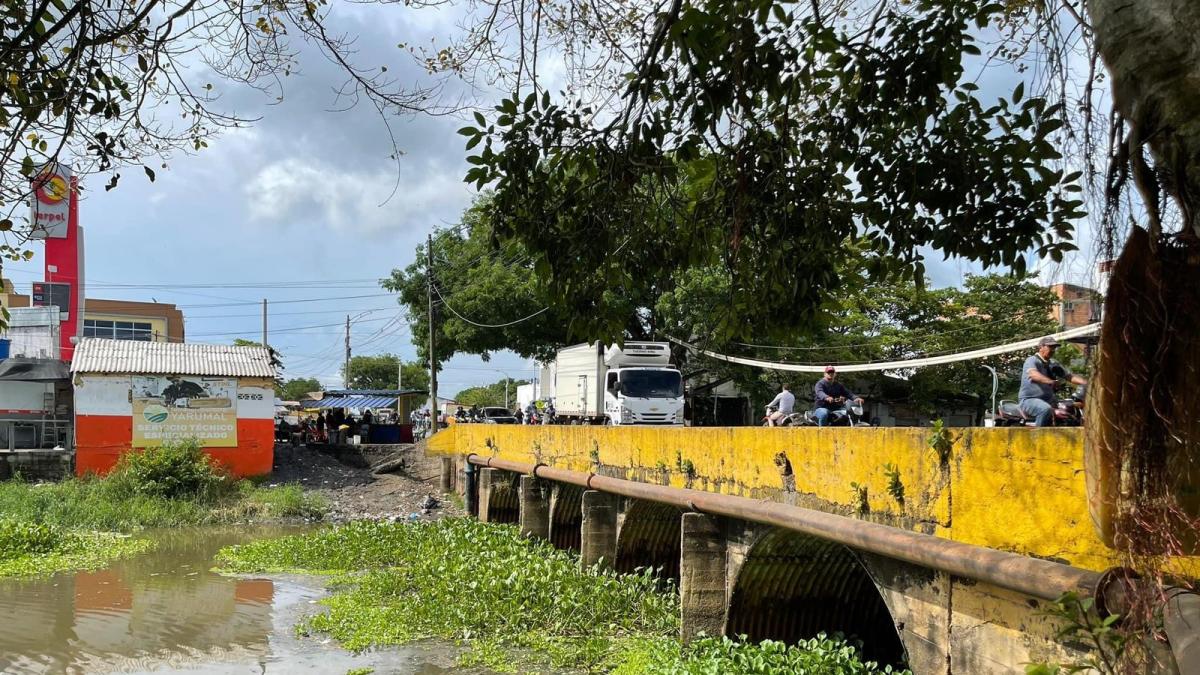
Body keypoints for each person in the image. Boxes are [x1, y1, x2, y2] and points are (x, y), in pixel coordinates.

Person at [1018, 336, 1088, 427]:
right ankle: (1038, 436)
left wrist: (1088, 383)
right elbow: (1033, 374)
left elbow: (1069, 376)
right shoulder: (1032, 360)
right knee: (1045, 409)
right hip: (1029, 400)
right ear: (1041, 347)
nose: (1052, 350)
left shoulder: (1053, 363)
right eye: (1050, 347)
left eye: (1054, 347)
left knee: (1071, 408)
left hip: (1050, 401)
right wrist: (1050, 381)